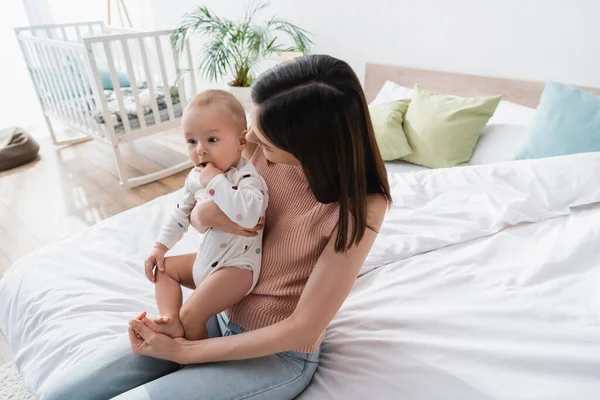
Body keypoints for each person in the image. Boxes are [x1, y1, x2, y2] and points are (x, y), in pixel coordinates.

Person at [41, 54, 391, 400]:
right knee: (62, 393)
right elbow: (202, 202)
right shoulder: (257, 142)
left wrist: (183, 352)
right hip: (218, 310)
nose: (250, 137)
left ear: (310, 145)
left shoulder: (362, 207)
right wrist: (202, 218)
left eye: (264, 139)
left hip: (274, 354)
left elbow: (304, 326)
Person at [142, 90, 268, 341]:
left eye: (212, 140)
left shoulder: (247, 177)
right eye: (191, 141)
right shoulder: (194, 178)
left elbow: (249, 214)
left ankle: (195, 358)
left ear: (241, 141)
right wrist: (159, 247)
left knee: (192, 315)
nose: (200, 150)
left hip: (236, 269)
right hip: (206, 260)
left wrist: (216, 182)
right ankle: (170, 321)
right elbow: (180, 215)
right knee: (164, 270)